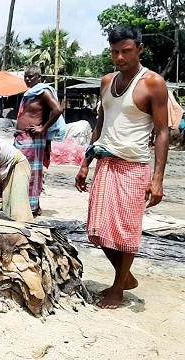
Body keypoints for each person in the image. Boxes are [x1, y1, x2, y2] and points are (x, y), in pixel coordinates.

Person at [75, 25, 168, 309]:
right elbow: (101, 124)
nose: (120, 58)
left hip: (134, 165)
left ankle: (118, 288)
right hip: (105, 161)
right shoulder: (106, 81)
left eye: (126, 51)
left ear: (139, 49)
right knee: (98, 229)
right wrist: (85, 162)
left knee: (126, 231)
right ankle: (125, 277)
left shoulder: (153, 83)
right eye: (115, 52)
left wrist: (158, 179)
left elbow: (162, 131)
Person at [15, 65, 65, 216]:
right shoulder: (31, 94)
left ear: (39, 78)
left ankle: (31, 207)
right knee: (21, 170)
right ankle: (30, 205)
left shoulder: (43, 91)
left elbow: (57, 110)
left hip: (33, 139)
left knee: (30, 172)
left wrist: (42, 128)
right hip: (23, 137)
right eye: (26, 76)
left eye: (31, 76)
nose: (27, 79)